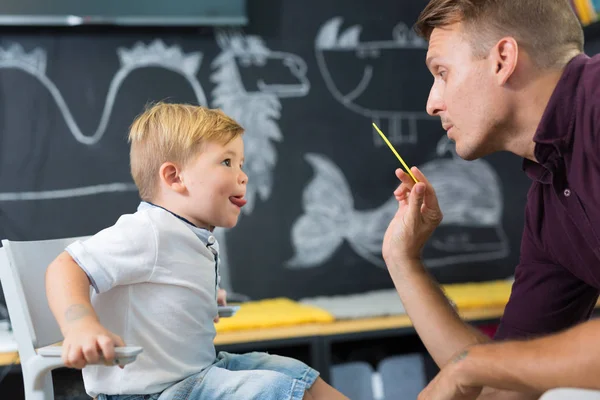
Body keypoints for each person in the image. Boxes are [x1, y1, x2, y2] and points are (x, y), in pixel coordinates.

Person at [45, 103, 348, 400]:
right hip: (150, 392)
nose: (243, 176)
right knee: (272, 391)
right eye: (227, 162)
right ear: (175, 178)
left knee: (292, 373)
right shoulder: (147, 231)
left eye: (241, 164)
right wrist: (80, 326)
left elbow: (164, 282)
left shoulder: (195, 237)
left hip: (196, 374)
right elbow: (67, 266)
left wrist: (197, 297)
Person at [381, 0, 600, 399]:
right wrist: (403, 259)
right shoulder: (550, 204)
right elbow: (501, 389)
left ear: (502, 59)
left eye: (442, 73)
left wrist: (474, 367)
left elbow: (482, 371)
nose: (432, 103)